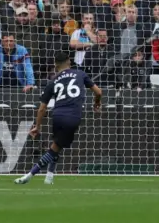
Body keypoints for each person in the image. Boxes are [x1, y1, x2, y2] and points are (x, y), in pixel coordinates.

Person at [15, 52, 102, 185]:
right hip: (73, 116)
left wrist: (37, 127)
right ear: (69, 61)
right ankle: (29, 175)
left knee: (57, 144)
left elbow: (42, 108)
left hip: (57, 115)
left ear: (55, 65)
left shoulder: (52, 81)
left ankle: (49, 177)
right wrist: (96, 103)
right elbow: (98, 91)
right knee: (55, 148)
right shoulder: (80, 74)